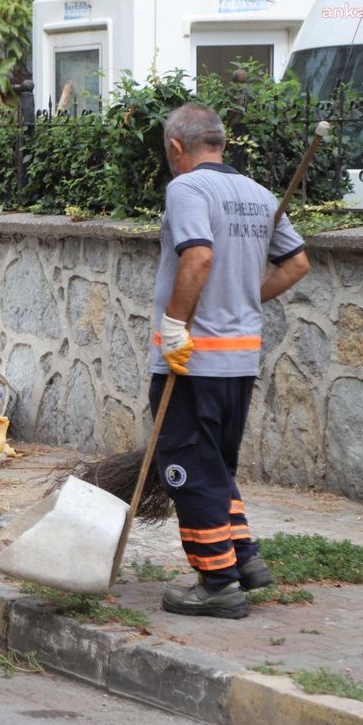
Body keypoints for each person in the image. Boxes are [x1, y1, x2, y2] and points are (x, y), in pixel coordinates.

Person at [151, 103, 310, 619]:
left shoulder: (187, 189)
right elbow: (297, 263)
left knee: (186, 469)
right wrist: (244, 298)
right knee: (215, 465)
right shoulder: (259, 195)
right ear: (220, 142)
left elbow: (197, 256)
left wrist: (176, 324)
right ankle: (243, 556)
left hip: (192, 361)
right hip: (240, 362)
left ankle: (217, 583)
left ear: (177, 147)